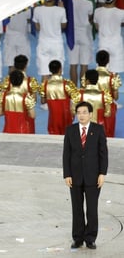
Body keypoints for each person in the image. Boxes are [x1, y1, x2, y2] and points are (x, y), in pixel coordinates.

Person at [63, 101, 108, 250]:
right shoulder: (70, 130)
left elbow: (103, 154)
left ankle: (90, 238)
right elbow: (66, 154)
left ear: (90, 114)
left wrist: (102, 173)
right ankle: (78, 238)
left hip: (93, 177)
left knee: (92, 209)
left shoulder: (98, 129)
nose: (81, 115)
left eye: (84, 112)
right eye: (79, 112)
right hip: (75, 177)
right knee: (77, 209)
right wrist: (67, 174)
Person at [33, 0, 67, 82]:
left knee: (44, 74)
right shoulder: (61, 10)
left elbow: (37, 28)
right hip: (56, 44)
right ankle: (57, 94)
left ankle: (44, 95)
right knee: (57, 74)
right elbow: (63, 25)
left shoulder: (37, 10)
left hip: (43, 44)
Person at [40, 60, 76, 135]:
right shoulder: (67, 84)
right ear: (60, 69)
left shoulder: (45, 85)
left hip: (53, 119)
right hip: (66, 118)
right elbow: (75, 98)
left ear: (49, 70)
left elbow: (43, 101)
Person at [70, 0, 94, 87]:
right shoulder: (88, 3)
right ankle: (83, 90)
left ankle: (74, 93)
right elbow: (90, 18)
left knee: (73, 65)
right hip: (85, 35)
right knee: (84, 65)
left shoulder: (67, 3)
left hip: (72, 36)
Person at [94, 0, 124, 74]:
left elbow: (97, 27)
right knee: (114, 78)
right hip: (116, 46)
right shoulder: (121, 13)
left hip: (103, 44)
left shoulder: (97, 12)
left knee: (103, 75)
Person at [0, 69, 36, 133]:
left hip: (8, 130)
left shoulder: (2, 96)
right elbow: (32, 115)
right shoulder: (26, 98)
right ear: (22, 81)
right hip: (23, 130)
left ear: (10, 81)